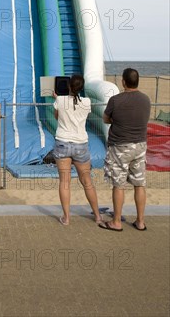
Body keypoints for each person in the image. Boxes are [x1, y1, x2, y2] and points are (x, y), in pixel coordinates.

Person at [100, 68, 151, 232]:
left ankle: (116, 221)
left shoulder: (115, 100)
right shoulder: (146, 100)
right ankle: (140, 221)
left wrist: (117, 120)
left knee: (119, 184)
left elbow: (106, 118)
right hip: (140, 146)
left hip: (120, 147)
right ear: (137, 81)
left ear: (123, 82)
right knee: (139, 184)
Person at [53, 75, 102, 226]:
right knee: (87, 181)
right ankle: (98, 216)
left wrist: (56, 98)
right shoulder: (87, 102)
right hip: (81, 144)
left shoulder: (60, 100)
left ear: (69, 86)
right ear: (81, 87)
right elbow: (79, 113)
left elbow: (57, 117)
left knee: (64, 182)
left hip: (63, 142)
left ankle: (66, 218)